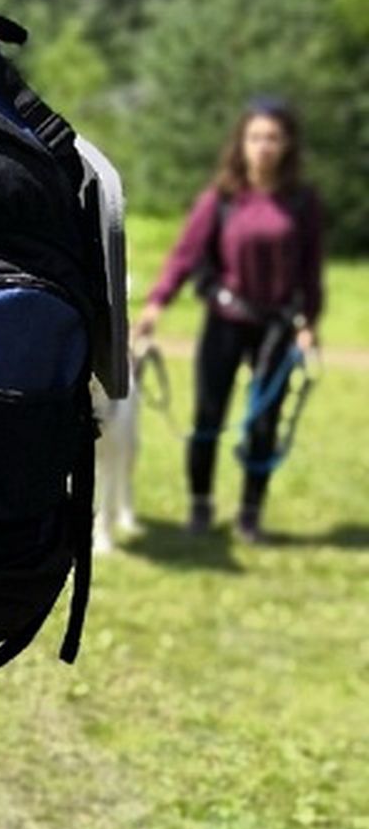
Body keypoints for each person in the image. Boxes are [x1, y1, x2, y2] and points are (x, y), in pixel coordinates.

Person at [133, 97, 324, 542]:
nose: (264, 146)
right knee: (209, 416)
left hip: (278, 326)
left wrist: (309, 322)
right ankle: (200, 508)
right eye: (255, 137)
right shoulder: (220, 198)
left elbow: (310, 269)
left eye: (273, 138)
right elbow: (184, 255)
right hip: (225, 318)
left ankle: (250, 515)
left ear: (287, 144)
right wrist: (157, 303)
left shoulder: (302, 202)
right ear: (241, 142)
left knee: (264, 420)